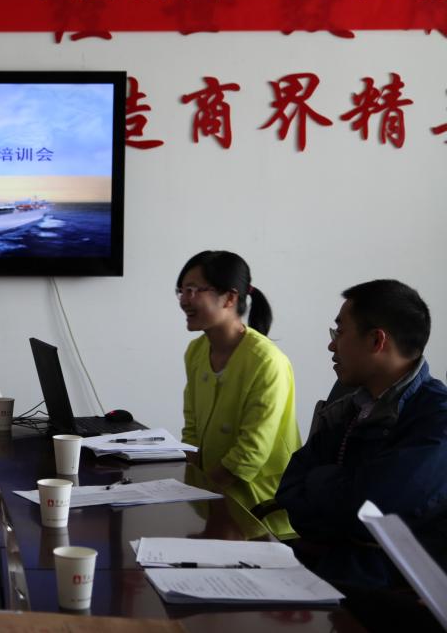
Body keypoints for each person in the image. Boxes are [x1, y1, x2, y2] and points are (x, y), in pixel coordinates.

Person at [276, 279, 447, 589]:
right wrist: (343, 491)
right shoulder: (352, 406)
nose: (331, 345)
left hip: (387, 593)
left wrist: (320, 479)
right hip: (329, 570)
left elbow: (371, 513)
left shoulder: (436, 419)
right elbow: (289, 489)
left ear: (376, 340)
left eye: (339, 332)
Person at [177, 250, 300, 537]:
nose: (184, 300)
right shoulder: (196, 351)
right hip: (212, 498)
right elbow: (192, 430)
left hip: (259, 508)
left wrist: (200, 489)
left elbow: (251, 452)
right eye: (181, 291)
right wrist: (186, 485)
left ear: (230, 298)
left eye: (194, 290)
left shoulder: (266, 361)